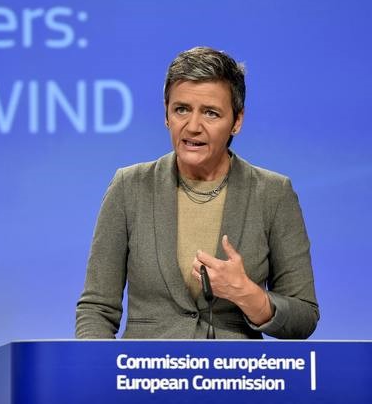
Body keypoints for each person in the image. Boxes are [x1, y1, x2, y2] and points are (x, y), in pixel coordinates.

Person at [75, 47, 319, 339]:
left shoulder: (273, 194)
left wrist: (248, 295)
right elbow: (96, 308)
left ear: (237, 121)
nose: (192, 127)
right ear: (166, 114)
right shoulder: (130, 186)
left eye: (211, 113)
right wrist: (101, 376)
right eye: (181, 109)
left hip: (236, 377)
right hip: (145, 377)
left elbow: (303, 317)